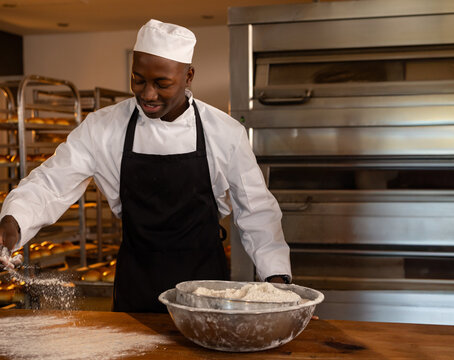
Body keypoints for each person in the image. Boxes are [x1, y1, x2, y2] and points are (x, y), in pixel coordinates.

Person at [0, 19, 291, 313]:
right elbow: (51, 183)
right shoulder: (103, 128)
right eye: (138, 80)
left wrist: (278, 283)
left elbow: (256, 210)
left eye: (161, 84)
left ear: (188, 76)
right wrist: (14, 219)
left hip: (205, 288)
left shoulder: (224, 132)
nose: (148, 94)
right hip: (136, 282)